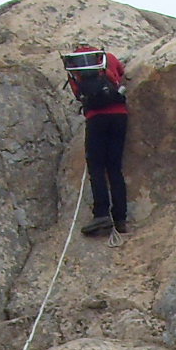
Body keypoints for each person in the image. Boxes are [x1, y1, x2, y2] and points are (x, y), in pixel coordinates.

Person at [65, 45, 131, 235]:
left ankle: (101, 213)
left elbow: (78, 94)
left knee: (96, 166)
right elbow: (120, 72)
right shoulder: (107, 57)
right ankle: (120, 219)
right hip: (119, 115)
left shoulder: (73, 66)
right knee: (114, 168)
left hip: (96, 118)